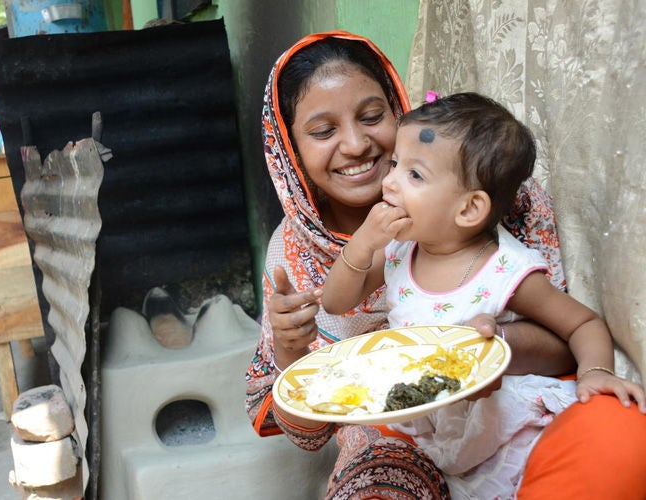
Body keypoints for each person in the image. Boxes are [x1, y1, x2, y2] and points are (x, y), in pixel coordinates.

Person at [245, 31, 646, 500]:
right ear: (288, 147)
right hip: (405, 434)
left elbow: (567, 337)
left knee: (620, 437)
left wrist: (490, 347)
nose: (356, 145)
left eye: (373, 117)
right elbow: (307, 431)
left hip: (505, 410)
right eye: (323, 131)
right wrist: (293, 354)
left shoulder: (504, 216)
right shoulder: (309, 252)